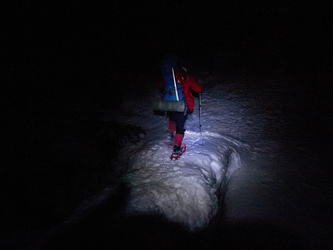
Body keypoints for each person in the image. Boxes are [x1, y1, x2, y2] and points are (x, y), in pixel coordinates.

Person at [159, 56, 203, 155]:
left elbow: (161, 85)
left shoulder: (169, 75)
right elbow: (198, 89)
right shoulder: (185, 76)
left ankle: (172, 134)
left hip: (169, 104)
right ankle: (177, 147)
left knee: (172, 118)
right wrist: (200, 84)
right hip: (181, 105)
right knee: (180, 124)